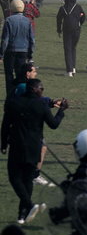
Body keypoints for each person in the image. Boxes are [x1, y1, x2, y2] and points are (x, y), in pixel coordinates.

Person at [1, 79, 67, 223]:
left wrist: (3, 144)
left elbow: (5, 125)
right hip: (34, 147)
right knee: (27, 179)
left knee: (14, 177)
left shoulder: (14, 104)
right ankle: (23, 212)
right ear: (37, 90)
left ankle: (27, 209)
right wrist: (61, 111)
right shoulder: (41, 105)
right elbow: (53, 124)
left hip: (17, 145)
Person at [0, 0, 33, 96]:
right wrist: (30, 54)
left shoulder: (9, 20)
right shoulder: (27, 21)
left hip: (10, 51)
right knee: (21, 75)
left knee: (9, 75)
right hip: (23, 51)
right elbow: (32, 39)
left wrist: (1, 54)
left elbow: (5, 40)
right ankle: (20, 94)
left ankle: (10, 95)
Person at [56, 0, 85, 77]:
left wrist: (59, 30)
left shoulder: (62, 8)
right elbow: (83, 17)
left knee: (68, 49)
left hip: (67, 30)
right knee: (73, 48)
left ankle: (69, 71)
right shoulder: (78, 7)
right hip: (77, 29)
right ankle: (73, 68)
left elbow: (58, 19)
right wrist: (80, 23)